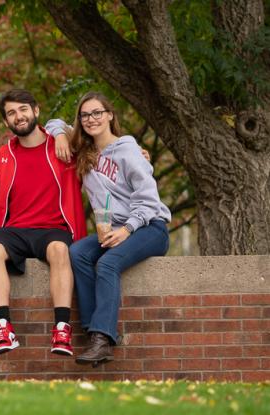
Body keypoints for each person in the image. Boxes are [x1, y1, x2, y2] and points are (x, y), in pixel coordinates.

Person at [67, 92, 171, 367]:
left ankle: (103, 338)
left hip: (149, 227)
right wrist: (57, 135)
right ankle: (93, 330)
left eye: (97, 113)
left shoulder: (128, 150)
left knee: (108, 263)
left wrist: (127, 228)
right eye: (85, 115)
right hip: (112, 229)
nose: (91, 119)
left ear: (110, 115)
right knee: (77, 253)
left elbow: (149, 200)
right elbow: (54, 124)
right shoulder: (86, 153)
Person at [0, 88, 86, 357]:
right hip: (15, 230)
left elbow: (90, 133)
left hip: (53, 228)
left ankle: (62, 329)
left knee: (60, 251)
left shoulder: (63, 147)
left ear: (36, 111)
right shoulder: (2, 154)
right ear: (6, 122)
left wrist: (61, 132)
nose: (19, 116)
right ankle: (3, 328)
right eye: (11, 113)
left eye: (23, 109)